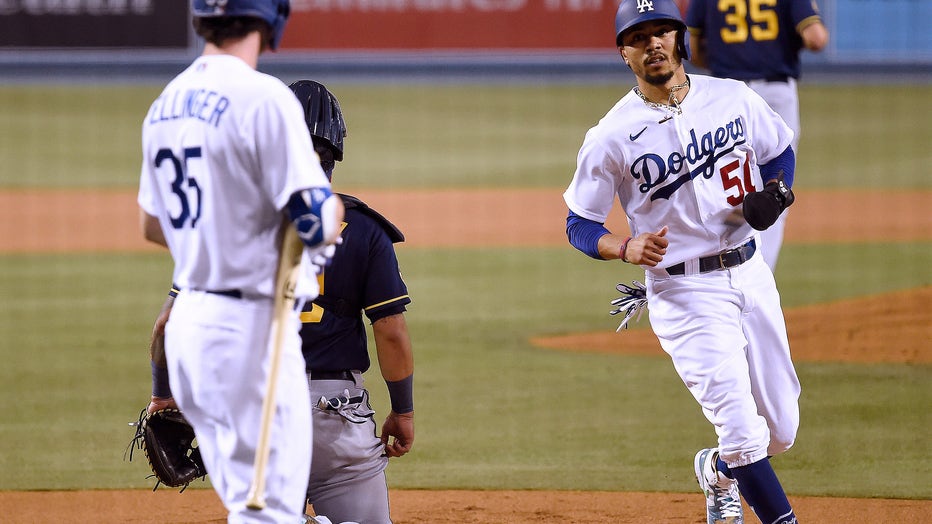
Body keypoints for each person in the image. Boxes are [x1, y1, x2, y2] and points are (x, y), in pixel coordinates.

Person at [563, 1, 801, 523]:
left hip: (751, 274)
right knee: (743, 430)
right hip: (684, 293)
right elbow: (579, 223)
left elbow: (779, 148)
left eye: (662, 32)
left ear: (680, 39)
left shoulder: (731, 96)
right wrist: (623, 248)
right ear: (624, 53)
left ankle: (717, 469)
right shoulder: (611, 135)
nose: (653, 44)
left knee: (779, 431)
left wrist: (777, 191)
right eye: (639, 36)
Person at [137, 0, 344, 521]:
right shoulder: (264, 97)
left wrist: (220, 241)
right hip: (249, 332)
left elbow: (151, 225)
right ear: (272, 17)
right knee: (268, 511)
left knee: (252, 504)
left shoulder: (165, 102)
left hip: (189, 328)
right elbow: (316, 222)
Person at [288, 80, 415, 524]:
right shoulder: (363, 229)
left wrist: (166, 395)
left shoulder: (235, 225)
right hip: (336, 417)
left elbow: (173, 323)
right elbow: (391, 331)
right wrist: (403, 411)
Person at [685, 0, 829, 270]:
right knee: (774, 190)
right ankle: (758, 276)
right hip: (775, 94)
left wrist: (723, 62)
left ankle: (721, 269)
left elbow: (691, 46)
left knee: (726, 185)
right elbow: (816, 38)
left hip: (724, 95)